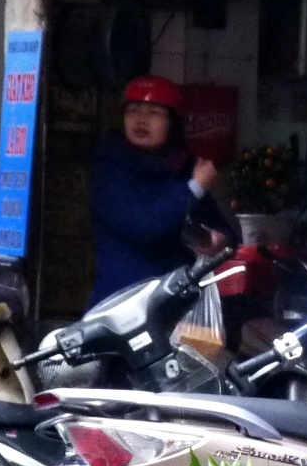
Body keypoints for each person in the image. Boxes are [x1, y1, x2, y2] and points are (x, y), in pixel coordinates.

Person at [89, 75, 234, 305]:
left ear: (173, 124)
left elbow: (224, 231)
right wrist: (194, 187)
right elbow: (144, 225)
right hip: (121, 304)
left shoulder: (183, 167)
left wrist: (217, 240)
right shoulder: (110, 166)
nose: (141, 119)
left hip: (175, 302)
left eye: (154, 113)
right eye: (133, 110)